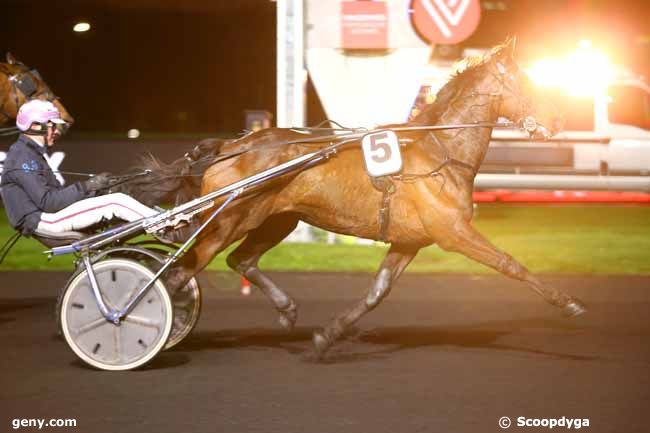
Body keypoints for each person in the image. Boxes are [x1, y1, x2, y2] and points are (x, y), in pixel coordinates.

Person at [0, 100, 159, 236]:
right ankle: (163, 223)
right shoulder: (22, 157)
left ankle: (162, 218)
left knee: (113, 196)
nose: (56, 132)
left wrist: (95, 189)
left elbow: (58, 196)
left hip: (47, 216)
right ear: (34, 125)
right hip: (43, 221)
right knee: (115, 203)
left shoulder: (32, 153)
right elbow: (49, 203)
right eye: (53, 126)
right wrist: (87, 186)